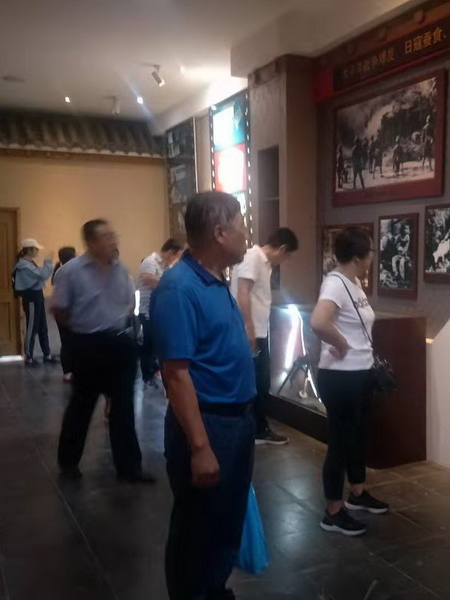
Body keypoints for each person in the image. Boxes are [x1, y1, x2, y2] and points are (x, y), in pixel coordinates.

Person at [152, 191, 256, 600]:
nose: (246, 234)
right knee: (197, 528)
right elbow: (176, 375)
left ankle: (213, 588)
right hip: (209, 423)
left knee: (224, 520)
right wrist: (200, 447)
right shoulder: (179, 287)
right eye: (241, 225)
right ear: (219, 232)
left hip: (235, 421)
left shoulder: (214, 280)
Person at [52, 219, 152, 483]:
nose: (112, 240)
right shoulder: (71, 272)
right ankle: (68, 462)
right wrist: (81, 331)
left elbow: (128, 305)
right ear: (91, 242)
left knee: (124, 407)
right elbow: (59, 309)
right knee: (82, 405)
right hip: (88, 345)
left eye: (112, 235)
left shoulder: (120, 270)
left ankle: (129, 468)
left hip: (119, 343)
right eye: (105, 236)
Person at [310, 227, 389, 537]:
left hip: (360, 373)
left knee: (357, 437)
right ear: (358, 257)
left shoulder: (353, 283)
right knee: (340, 443)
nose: (372, 257)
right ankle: (332, 511)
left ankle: (357, 492)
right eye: (370, 252)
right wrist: (341, 343)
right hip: (340, 377)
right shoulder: (335, 283)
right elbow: (318, 321)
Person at [230, 227, 299, 445]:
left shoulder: (262, 263)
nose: (285, 261)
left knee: (261, 381)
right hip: (251, 332)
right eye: (287, 256)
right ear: (282, 249)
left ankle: (258, 428)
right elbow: (242, 292)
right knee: (257, 382)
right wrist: (249, 327)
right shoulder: (254, 258)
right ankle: (256, 430)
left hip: (258, 330)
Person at [137, 238, 184, 387]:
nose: (177, 260)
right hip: (146, 310)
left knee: (156, 344)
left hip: (158, 310)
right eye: (177, 256)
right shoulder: (150, 261)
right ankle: (147, 376)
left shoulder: (165, 266)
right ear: (170, 252)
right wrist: (170, 283)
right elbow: (148, 279)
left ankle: (155, 372)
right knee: (148, 344)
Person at [13, 238, 55, 366]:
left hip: (37, 295)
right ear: (29, 250)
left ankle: (47, 354)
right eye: (36, 249)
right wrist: (48, 262)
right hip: (31, 297)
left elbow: (40, 276)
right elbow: (42, 275)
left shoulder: (29, 263)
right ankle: (29, 356)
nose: (37, 252)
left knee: (42, 326)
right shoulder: (23, 265)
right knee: (32, 327)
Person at [52, 246, 77, 382]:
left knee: (68, 341)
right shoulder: (67, 270)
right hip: (66, 311)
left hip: (64, 310)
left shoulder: (61, 270)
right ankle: (68, 371)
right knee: (68, 341)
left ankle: (70, 370)